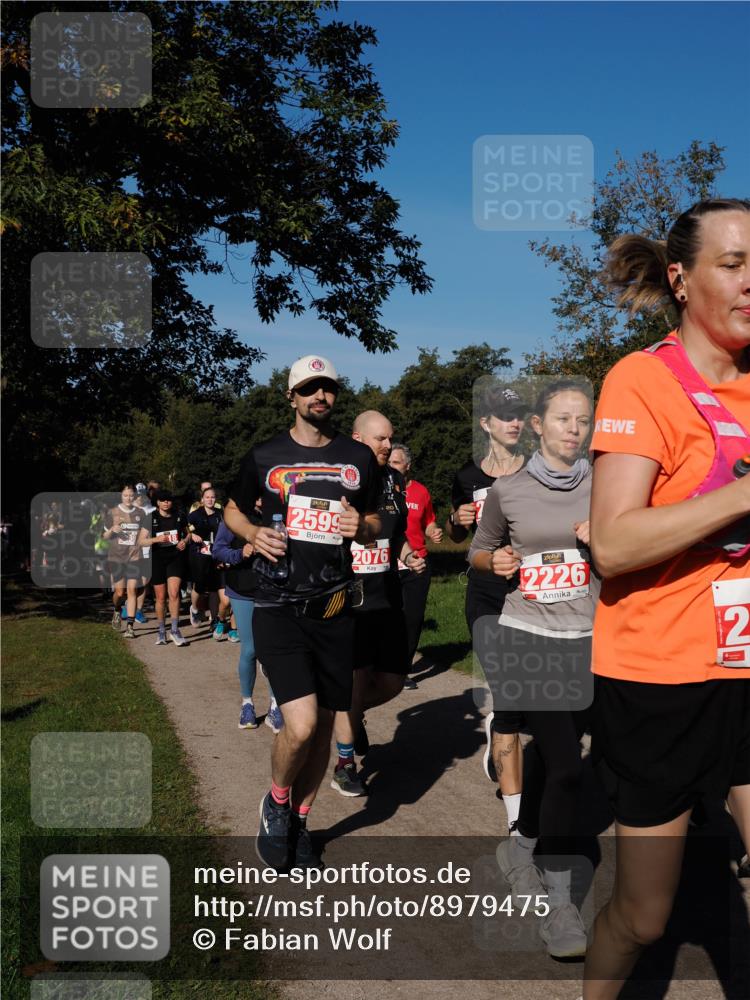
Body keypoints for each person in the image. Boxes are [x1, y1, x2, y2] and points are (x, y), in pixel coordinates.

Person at [583, 199, 750, 999]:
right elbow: (612, 546)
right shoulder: (642, 380)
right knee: (645, 917)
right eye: (735, 264)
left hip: (747, 668)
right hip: (658, 674)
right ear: (682, 280)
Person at [223, 354, 380, 871]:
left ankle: (301, 820)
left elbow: (383, 519)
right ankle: (276, 802)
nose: (320, 397)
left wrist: (366, 526)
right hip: (277, 605)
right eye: (310, 389)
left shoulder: (359, 458)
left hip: (335, 606)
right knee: (304, 724)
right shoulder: (264, 456)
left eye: (328, 388)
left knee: (327, 722)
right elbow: (232, 507)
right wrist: (251, 533)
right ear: (290, 396)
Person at [469, 378, 597, 958]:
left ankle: (522, 837)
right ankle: (559, 899)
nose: (575, 429)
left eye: (584, 420)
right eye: (564, 419)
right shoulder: (508, 490)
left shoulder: (608, 483)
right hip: (529, 636)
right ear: (540, 426)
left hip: (594, 637)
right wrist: (491, 559)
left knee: (586, 756)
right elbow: (479, 548)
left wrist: (608, 537)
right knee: (569, 767)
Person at [446, 384, 529, 832]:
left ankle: (501, 722)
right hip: (483, 591)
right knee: (508, 684)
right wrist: (454, 522)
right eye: (503, 415)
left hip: (529, 591)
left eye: (518, 414)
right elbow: (457, 537)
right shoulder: (465, 476)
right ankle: (517, 819)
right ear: (485, 423)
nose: (513, 422)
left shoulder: (539, 471)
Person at [330, 411, 426, 796]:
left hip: (386, 593)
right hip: (350, 597)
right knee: (353, 681)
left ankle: (347, 716)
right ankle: (345, 761)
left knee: (392, 682)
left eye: (391, 439)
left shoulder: (394, 479)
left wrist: (407, 555)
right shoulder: (339, 477)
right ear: (357, 438)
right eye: (380, 439)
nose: (388, 445)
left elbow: (397, 531)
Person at [213, 517, 283, 732]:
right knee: (250, 649)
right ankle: (247, 705)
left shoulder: (278, 514)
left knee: (272, 649)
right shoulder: (234, 517)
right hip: (242, 588)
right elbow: (218, 551)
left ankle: (275, 706)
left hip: (273, 589)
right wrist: (239, 554)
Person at [388, 443, 443, 688]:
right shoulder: (381, 490)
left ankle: (402, 670)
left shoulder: (420, 492)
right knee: (386, 617)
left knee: (412, 618)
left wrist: (434, 532)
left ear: (407, 466)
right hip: (387, 564)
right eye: (389, 462)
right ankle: (381, 668)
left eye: (396, 462)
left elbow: (429, 521)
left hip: (417, 564)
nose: (391, 466)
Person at [102, 485, 150, 639]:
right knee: (119, 592)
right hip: (116, 557)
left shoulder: (140, 513)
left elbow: (144, 536)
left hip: (134, 557)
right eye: (125, 495)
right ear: (121, 497)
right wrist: (111, 531)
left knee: (132, 591)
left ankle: (130, 626)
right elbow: (104, 536)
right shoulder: (112, 512)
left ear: (135, 497)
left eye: (131, 496)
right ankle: (116, 609)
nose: (128, 498)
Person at [146, 490, 189, 647]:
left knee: (174, 592)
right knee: (160, 597)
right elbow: (140, 541)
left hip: (176, 557)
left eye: (169, 500)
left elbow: (188, 533)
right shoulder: (151, 518)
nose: (166, 502)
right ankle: (161, 630)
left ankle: (175, 630)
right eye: (163, 500)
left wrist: (185, 541)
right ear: (157, 502)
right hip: (157, 558)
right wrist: (156, 539)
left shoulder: (179, 515)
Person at [187, 487, 227, 630]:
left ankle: (214, 618)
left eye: (212, 497)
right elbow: (186, 527)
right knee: (200, 584)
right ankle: (195, 608)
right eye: (207, 497)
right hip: (199, 553)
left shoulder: (220, 514)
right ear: (202, 500)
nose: (210, 500)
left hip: (215, 554)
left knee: (215, 587)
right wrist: (192, 535)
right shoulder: (195, 514)